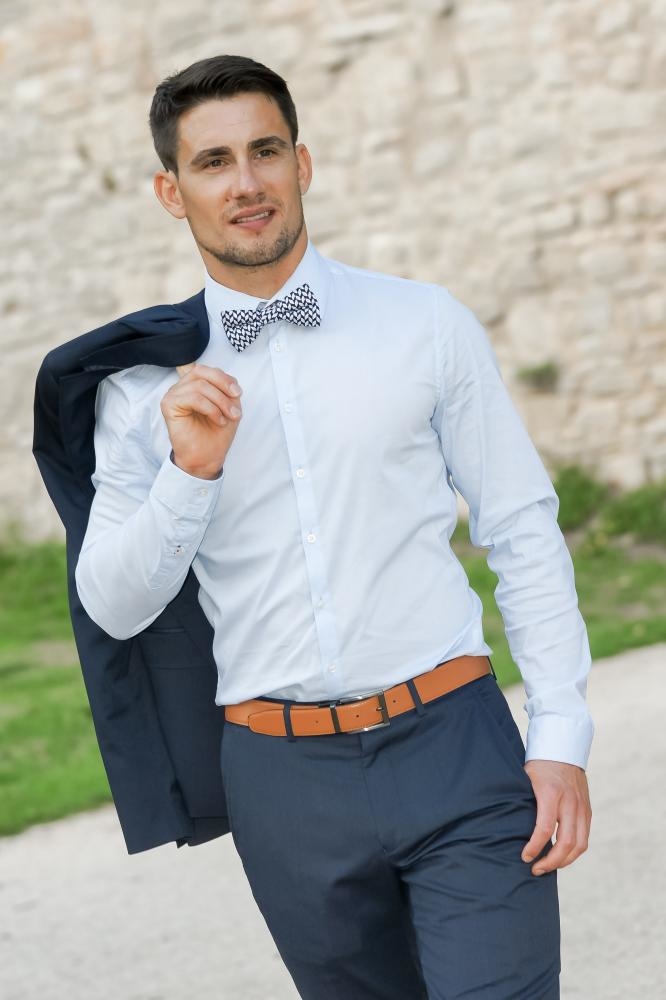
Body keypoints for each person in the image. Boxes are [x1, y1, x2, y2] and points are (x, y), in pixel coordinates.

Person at [37, 55, 593, 999]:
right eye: (213, 162)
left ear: (303, 163)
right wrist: (188, 473)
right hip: (281, 782)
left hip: (455, 744)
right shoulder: (138, 390)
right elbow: (114, 606)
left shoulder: (425, 324)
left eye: (265, 151)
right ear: (172, 193)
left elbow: (521, 527)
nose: (245, 183)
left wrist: (560, 737)